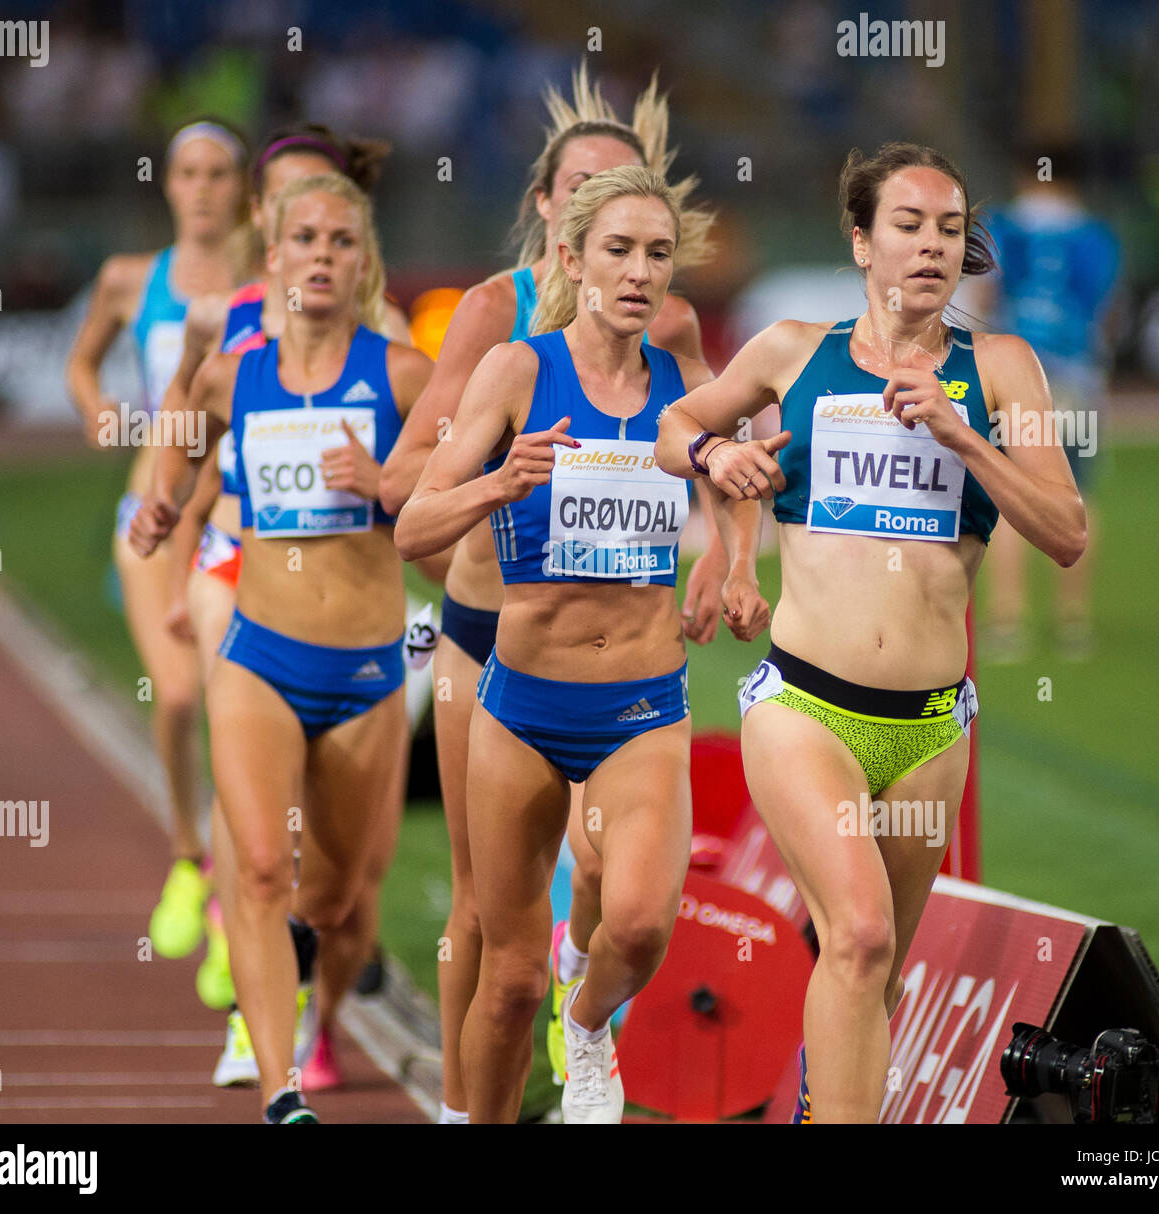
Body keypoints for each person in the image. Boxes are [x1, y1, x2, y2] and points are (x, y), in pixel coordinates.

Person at [655, 142, 1086, 1123]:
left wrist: (964, 435)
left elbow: (1064, 534)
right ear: (861, 239)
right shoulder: (792, 350)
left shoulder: (1001, 368)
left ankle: (817, 1107)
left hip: (932, 728)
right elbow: (673, 421)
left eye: (948, 228)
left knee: (872, 965)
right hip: (804, 706)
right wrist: (719, 453)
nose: (931, 246)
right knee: (853, 934)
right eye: (907, 225)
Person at [378, 64, 726, 1123]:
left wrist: (725, 551)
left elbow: (728, 451)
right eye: (608, 239)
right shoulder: (502, 334)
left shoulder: (673, 347)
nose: (633, 265)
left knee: (632, 919)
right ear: (559, 233)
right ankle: (465, 1108)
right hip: (498, 659)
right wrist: (503, 485)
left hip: (635, 690)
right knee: (496, 942)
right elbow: (408, 504)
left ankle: (587, 1026)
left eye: (651, 246)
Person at [131, 173, 434, 1122]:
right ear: (274, 258)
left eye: (340, 241)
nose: (320, 256)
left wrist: (385, 482)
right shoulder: (234, 370)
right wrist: (167, 503)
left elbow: (443, 515)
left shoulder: (401, 376)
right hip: (259, 657)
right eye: (303, 238)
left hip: (367, 669)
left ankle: (304, 980)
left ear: (361, 261)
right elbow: (182, 426)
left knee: (337, 897)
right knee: (260, 867)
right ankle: (278, 1090)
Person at [65, 119, 247, 962]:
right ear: (167, 185)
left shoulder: (267, 279)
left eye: (219, 173)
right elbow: (81, 363)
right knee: (176, 698)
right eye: (188, 172)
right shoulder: (130, 280)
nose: (203, 188)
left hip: (240, 510)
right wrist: (97, 407)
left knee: (237, 710)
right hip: (152, 509)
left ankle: (242, 897)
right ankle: (188, 858)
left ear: (243, 187)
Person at [967, 143, 1121, 662]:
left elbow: (984, 299)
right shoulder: (1096, 236)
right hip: (1076, 374)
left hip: (1018, 377)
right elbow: (1108, 311)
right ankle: (1073, 622)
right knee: (1077, 496)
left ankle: (1007, 622)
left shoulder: (1004, 228)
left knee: (1012, 499)